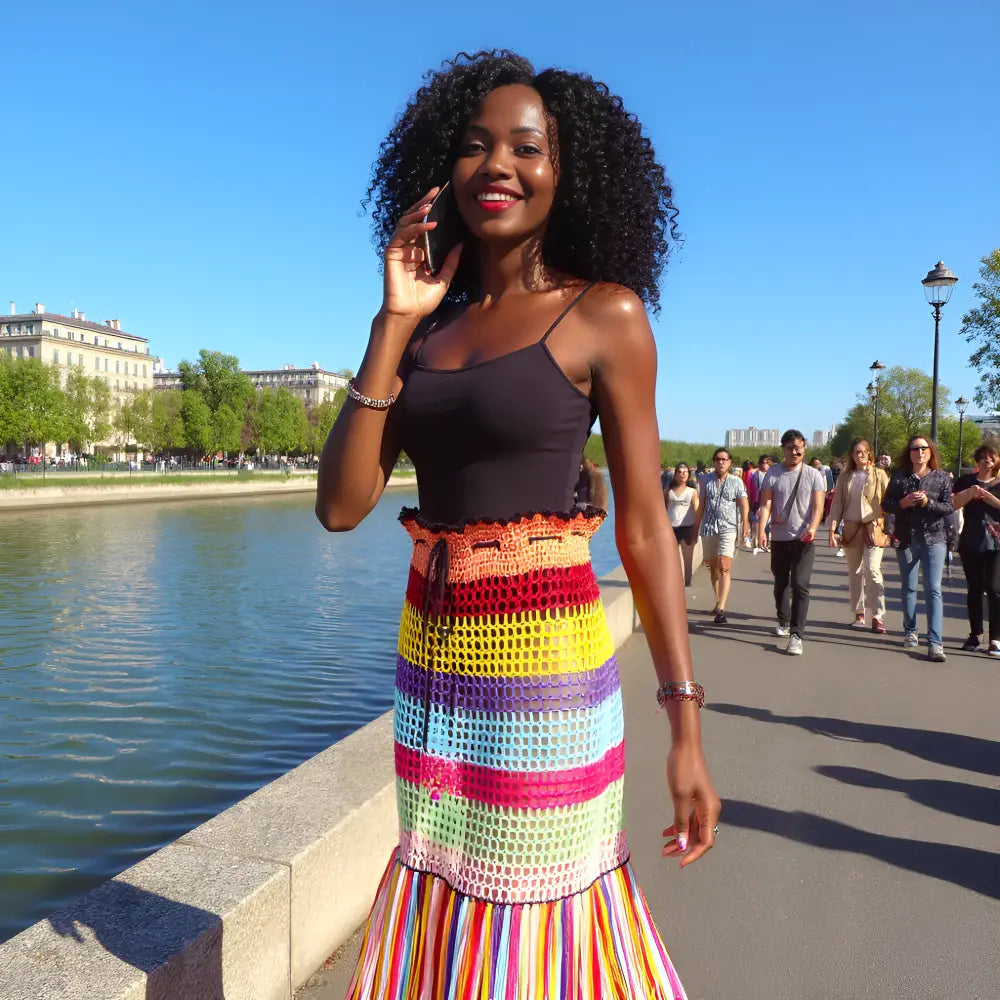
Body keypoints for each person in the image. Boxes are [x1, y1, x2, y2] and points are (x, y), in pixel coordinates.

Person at [315, 51, 718, 999]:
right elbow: (340, 506)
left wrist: (685, 726)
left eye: (526, 148)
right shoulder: (424, 331)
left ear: (565, 173)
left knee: (537, 921)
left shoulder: (604, 315)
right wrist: (390, 322)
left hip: (547, 678)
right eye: (475, 145)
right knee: (445, 901)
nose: (497, 164)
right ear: (444, 170)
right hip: (432, 673)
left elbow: (646, 532)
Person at [881, 435, 953, 661]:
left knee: (933, 589)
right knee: (909, 587)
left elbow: (948, 507)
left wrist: (927, 502)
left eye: (924, 448)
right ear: (909, 453)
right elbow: (886, 504)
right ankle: (910, 630)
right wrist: (903, 503)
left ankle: (935, 642)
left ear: (930, 452)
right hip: (907, 539)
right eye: (915, 449)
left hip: (935, 538)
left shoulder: (941, 477)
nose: (919, 452)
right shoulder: (900, 477)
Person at [756, 430, 827, 655]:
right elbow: (766, 504)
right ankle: (784, 619)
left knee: (800, 583)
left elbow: (818, 507)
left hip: (803, 538)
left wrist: (812, 527)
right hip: (779, 537)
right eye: (790, 448)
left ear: (804, 448)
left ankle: (797, 635)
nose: (795, 452)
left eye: (799, 448)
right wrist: (761, 530)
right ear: (783, 449)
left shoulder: (814, 475)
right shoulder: (773, 473)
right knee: (780, 583)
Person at [828, 438, 890, 633]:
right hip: (851, 528)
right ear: (852, 455)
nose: (860, 455)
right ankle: (859, 613)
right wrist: (832, 530)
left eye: (864, 451)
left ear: (870, 453)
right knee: (855, 572)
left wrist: (890, 527)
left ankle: (877, 615)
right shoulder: (846, 477)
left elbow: (889, 502)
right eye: (856, 452)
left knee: (872, 569)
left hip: (873, 528)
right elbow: (837, 505)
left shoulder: (879, 474)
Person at [692, 447, 749, 624]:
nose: (721, 462)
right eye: (718, 459)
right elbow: (701, 505)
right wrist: (695, 528)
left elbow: (744, 504)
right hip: (709, 527)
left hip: (728, 528)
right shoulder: (705, 480)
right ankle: (718, 601)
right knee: (713, 566)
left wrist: (745, 525)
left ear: (730, 462)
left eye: (724, 459)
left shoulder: (737, 482)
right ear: (714, 461)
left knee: (724, 566)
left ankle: (722, 609)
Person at [952, 444, 1000, 655]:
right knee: (974, 588)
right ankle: (975, 634)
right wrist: (970, 493)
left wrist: (991, 499)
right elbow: (953, 504)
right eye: (982, 457)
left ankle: (996, 638)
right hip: (971, 540)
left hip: (996, 542)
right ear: (977, 461)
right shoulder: (966, 481)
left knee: (995, 589)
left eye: (991, 456)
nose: (987, 460)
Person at [665, 462, 700, 586]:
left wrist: (697, 529)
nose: (682, 474)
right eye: (679, 472)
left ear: (688, 475)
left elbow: (697, 510)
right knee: (672, 559)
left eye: (685, 472)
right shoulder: (668, 491)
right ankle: (675, 583)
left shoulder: (692, 491)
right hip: (671, 528)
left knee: (687, 559)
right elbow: (662, 508)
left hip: (687, 528)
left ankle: (688, 583)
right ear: (675, 475)